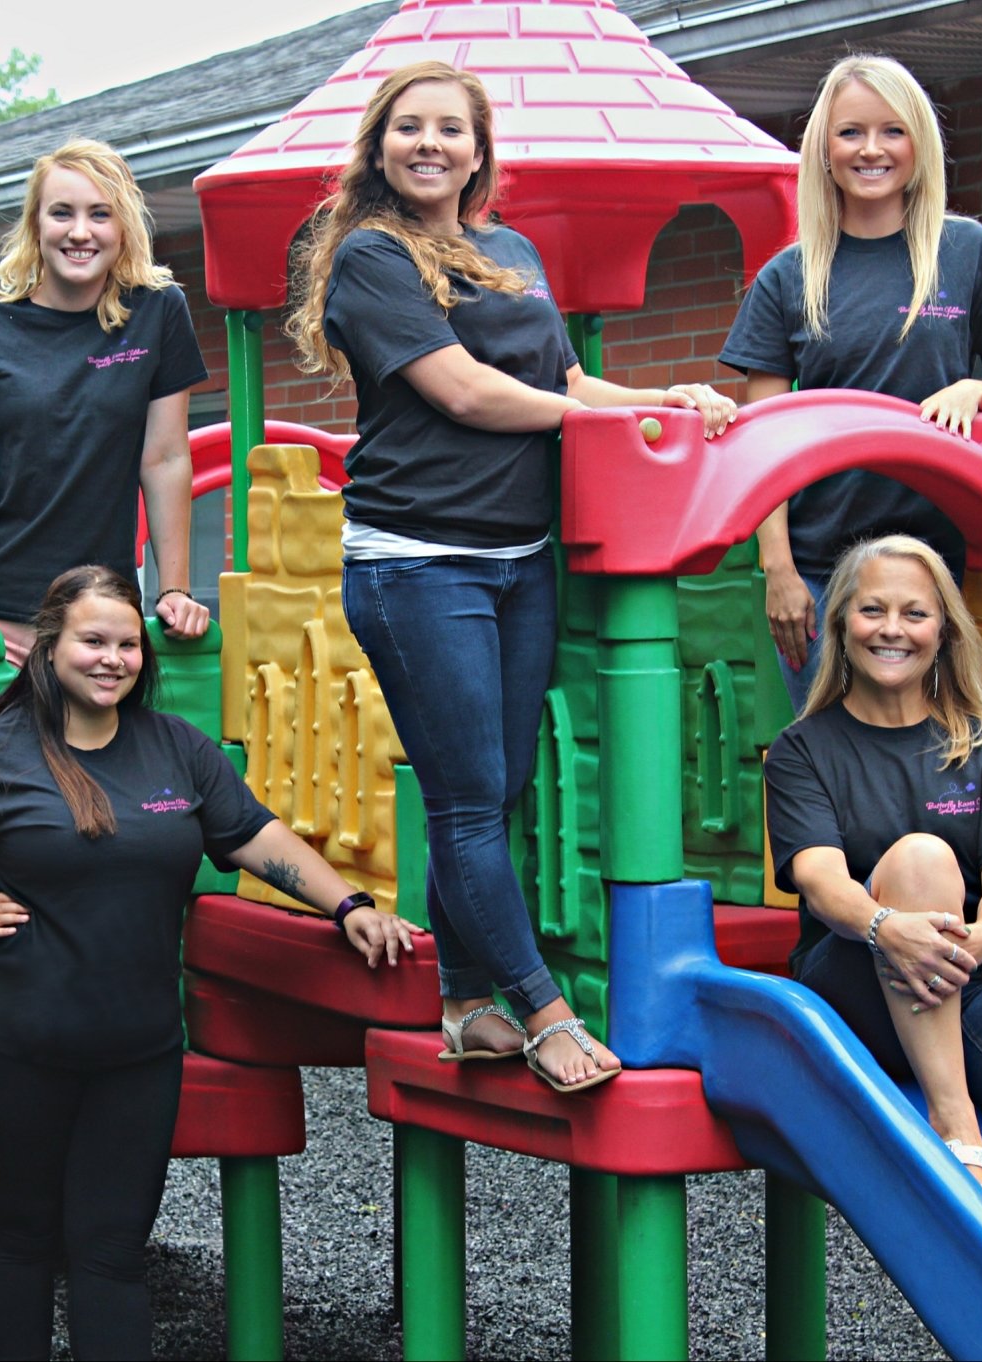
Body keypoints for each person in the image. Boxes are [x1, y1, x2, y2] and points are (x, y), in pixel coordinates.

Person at [288, 59, 735, 1090]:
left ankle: (462, 1005)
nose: (430, 144)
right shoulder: (371, 256)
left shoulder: (513, 250)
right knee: (469, 799)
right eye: (409, 127)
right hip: (417, 561)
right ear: (379, 147)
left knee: (498, 792)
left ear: (479, 150)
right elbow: (463, 391)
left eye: (451, 128)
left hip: (519, 559)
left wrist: (658, 398)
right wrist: (595, 419)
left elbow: (563, 379)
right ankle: (543, 1011)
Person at [0, 565, 417, 1359]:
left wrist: (348, 905)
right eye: (93, 641)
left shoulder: (175, 747)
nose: (112, 659)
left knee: (112, 1249)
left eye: (127, 644)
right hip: (14, 1039)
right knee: (20, 1234)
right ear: (50, 648)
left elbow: (254, 835)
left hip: (139, 1047)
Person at [764, 535, 982, 1337]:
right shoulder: (803, 750)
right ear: (841, 623)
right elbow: (821, 880)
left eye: (915, 613)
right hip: (860, 976)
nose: (893, 628)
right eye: (873, 609)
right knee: (921, 860)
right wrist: (888, 927)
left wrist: (972, 945)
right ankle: (956, 1126)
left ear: (944, 630)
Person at [719, 53, 982, 715]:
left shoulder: (971, 253)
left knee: (929, 754)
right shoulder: (787, 277)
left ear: (919, 143)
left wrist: (975, 391)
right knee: (835, 759)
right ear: (825, 149)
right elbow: (761, 445)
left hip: (933, 567)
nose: (872, 149)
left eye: (892, 131)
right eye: (851, 133)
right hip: (820, 570)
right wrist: (778, 570)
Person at [0, 138, 212, 668]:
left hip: (102, 622)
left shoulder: (158, 313)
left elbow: (166, 458)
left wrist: (174, 590)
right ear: (36, 225)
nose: (80, 232)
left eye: (99, 214)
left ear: (123, 226)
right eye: (62, 213)